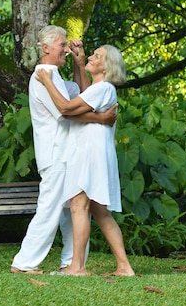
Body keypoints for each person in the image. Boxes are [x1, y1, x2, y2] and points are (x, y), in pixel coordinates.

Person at [10, 25, 116, 274]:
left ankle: (72, 263)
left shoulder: (54, 75)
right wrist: (100, 119)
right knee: (51, 207)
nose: (66, 49)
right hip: (55, 153)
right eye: (62, 45)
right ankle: (25, 262)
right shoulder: (43, 74)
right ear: (46, 48)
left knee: (74, 209)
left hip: (67, 153)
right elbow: (65, 111)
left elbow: (83, 93)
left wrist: (80, 64)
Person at [35, 44, 135, 277]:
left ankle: (77, 267)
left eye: (96, 56)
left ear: (106, 67)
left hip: (90, 153)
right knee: (100, 211)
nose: (91, 56)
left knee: (79, 205)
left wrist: (47, 80)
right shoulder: (100, 89)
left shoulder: (103, 88)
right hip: (96, 151)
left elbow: (67, 108)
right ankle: (124, 267)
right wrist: (80, 65)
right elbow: (82, 95)